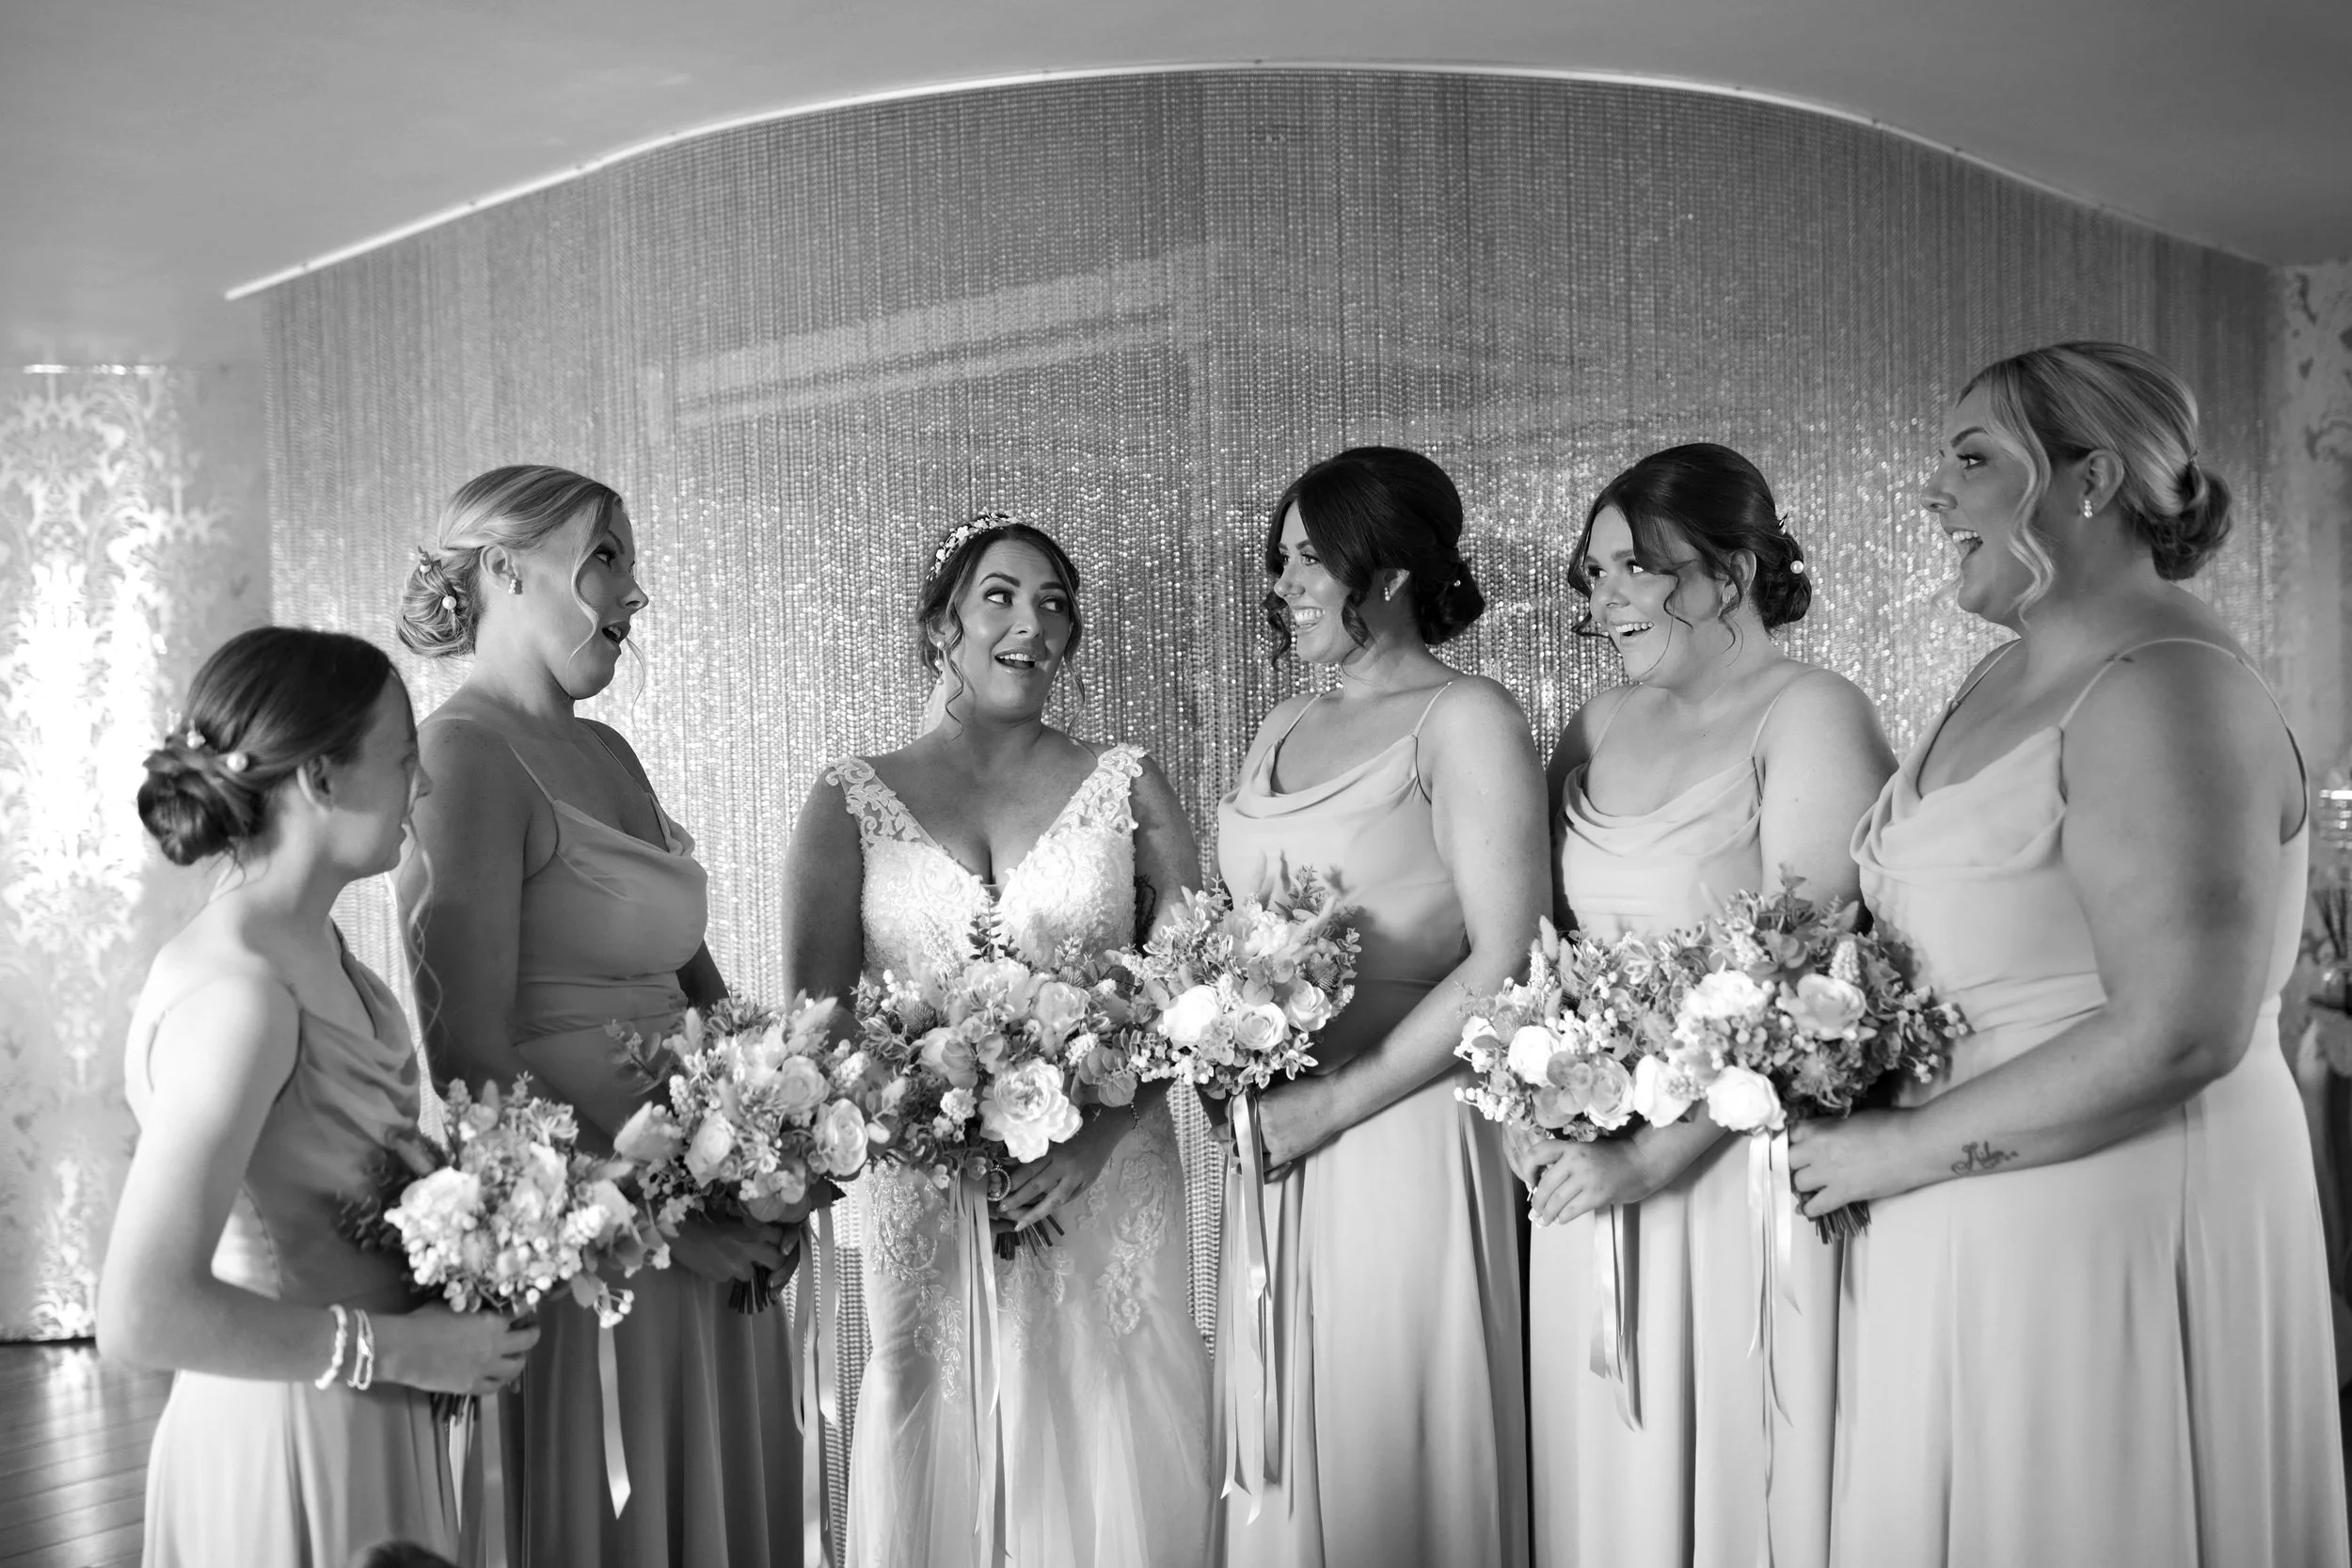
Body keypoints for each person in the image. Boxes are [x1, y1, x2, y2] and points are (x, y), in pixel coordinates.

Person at [1790, 341, 2351, 1566]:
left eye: (1976, 459)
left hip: (2113, 1221)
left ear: (2093, 480)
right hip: (1964, 1214)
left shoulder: (2166, 689)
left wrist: (1893, 1144)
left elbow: (2181, 1027)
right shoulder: (1999, 674)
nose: (1935, 495)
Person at [782, 515, 1213, 1568]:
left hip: (1104, 1178)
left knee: (1115, 1419)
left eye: (1057, 601)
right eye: (1001, 595)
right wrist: (926, 1127)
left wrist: (1096, 1139)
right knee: (938, 1416)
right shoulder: (851, 799)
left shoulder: (1128, 781)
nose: (1034, 622)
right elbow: (819, 1025)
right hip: (926, 1197)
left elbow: (1193, 994)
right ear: (941, 626)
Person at [398, 465, 800, 1567]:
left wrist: (776, 1154)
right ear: (503, 570)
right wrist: (666, 1223)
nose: (634, 590)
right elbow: (470, 1059)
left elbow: (695, 983)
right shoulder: (461, 755)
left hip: (712, 1199)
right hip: (598, 1246)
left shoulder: (608, 750)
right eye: (608, 555)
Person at [1520, 443, 1893, 1568]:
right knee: (1605, 1490)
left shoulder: (1810, 712)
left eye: (1638, 566)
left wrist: (1658, 1158)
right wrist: (1527, 1100)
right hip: (1590, 1170)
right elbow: (1542, 954)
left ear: (1729, 569)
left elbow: (1810, 985)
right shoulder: (1593, 726)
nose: (1609, 597)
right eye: (1595, 574)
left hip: (1734, 1175)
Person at [100, 626, 537, 1568]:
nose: (422, 786)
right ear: (323, 779)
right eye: (404, 755)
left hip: (367, 1414)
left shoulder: (329, 953)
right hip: (282, 1434)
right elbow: (140, 1313)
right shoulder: (240, 998)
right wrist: (403, 1351)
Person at [1213, 447, 1540, 1568]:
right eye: (1282, 558)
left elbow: (1505, 958)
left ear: (1391, 571)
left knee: (1388, 1457)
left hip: (1402, 1126)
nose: (1285, 582)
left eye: (1312, 557)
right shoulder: (1278, 728)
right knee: (1284, 1459)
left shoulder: (1466, 717)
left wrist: (1335, 1101)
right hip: (1277, 1144)